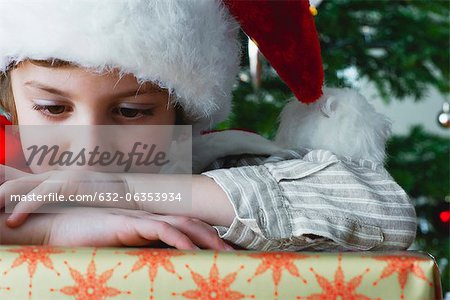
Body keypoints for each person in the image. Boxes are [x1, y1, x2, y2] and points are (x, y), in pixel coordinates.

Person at [0, 0, 416, 251]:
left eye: (130, 112)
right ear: (13, 108)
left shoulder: (221, 167)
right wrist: (50, 229)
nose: (89, 147)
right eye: (52, 109)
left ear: (182, 115)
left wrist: (127, 190)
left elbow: (387, 214)